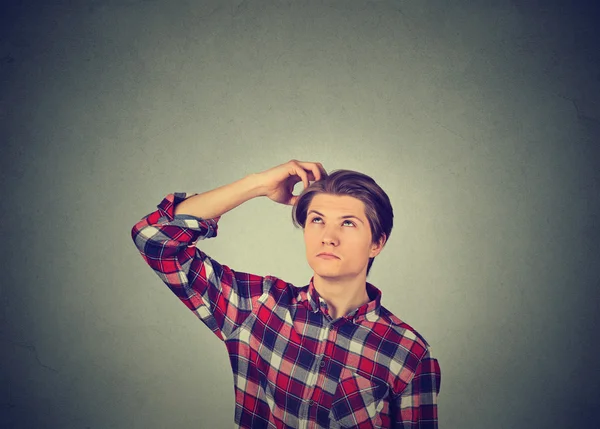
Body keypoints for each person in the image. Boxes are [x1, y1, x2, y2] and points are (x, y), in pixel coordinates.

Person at [131, 160, 441, 428]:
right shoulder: (257, 306)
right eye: (317, 220)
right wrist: (257, 184)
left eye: (348, 223)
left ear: (377, 243)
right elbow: (154, 238)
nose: (328, 237)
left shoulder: (408, 354)